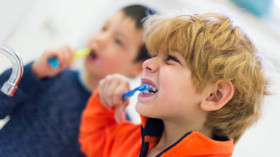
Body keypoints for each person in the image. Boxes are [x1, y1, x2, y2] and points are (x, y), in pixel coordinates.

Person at [79, 11, 268, 156]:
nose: (148, 63)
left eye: (171, 59)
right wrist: (105, 103)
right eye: (155, 55)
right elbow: (93, 140)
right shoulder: (131, 139)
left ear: (214, 95)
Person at [0, 4, 157, 157]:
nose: (101, 39)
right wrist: (33, 72)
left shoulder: (118, 123)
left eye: (118, 41)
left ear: (138, 68)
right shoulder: (50, 76)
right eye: (104, 28)